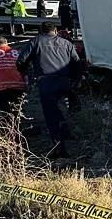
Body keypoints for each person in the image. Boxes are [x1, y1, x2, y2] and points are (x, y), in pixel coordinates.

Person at [16, 21, 80, 158]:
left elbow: (21, 61)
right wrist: (75, 80)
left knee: (51, 116)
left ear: (41, 31)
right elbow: (76, 62)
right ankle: (68, 131)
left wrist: (26, 73)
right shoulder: (66, 43)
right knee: (65, 108)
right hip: (64, 81)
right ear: (55, 30)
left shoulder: (35, 42)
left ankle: (60, 149)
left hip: (46, 82)